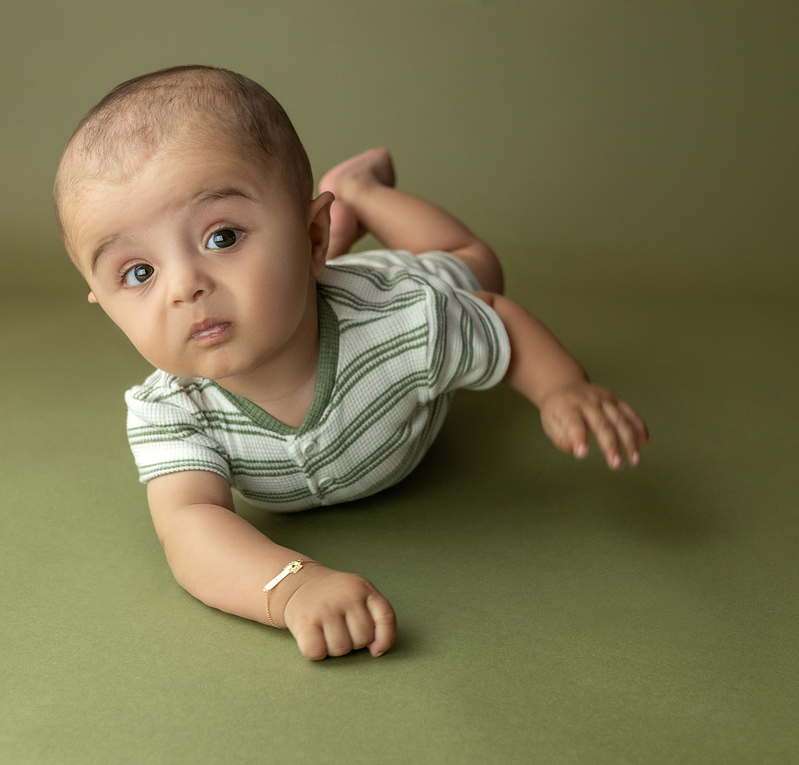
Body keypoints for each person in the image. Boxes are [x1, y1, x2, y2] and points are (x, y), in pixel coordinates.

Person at [54, 65, 649, 661]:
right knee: (290, 289)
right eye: (139, 272)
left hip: (389, 281)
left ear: (312, 236)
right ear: (104, 303)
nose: (185, 287)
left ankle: (360, 192)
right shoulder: (171, 411)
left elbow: (498, 319)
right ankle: (328, 225)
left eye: (223, 237)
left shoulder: (405, 320)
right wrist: (292, 586)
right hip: (306, 282)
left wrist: (561, 387)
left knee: (477, 264)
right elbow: (191, 528)